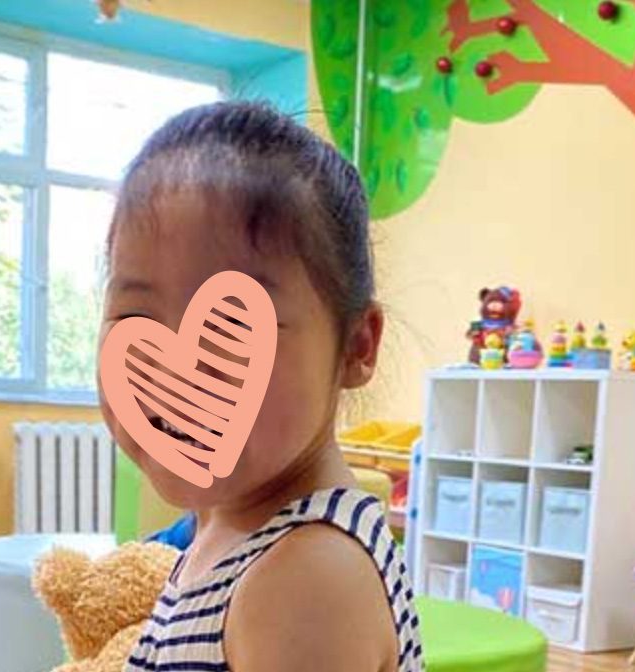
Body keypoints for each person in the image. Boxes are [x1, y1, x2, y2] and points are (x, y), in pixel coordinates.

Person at [98, 100, 422, 671]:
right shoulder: (227, 524)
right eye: (135, 321)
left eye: (230, 329)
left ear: (356, 346)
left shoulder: (307, 579)